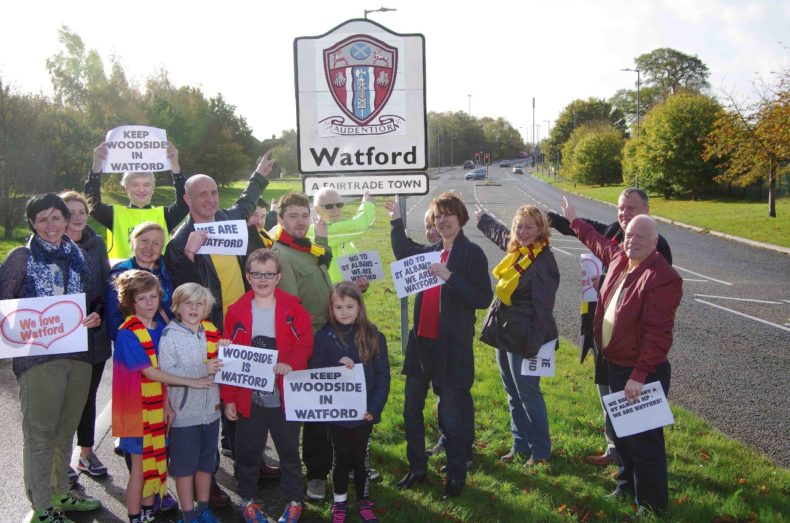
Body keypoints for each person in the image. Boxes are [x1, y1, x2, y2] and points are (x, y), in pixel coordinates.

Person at [164, 152, 274, 506]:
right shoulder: (180, 242)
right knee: (207, 403)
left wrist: (259, 174)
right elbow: (183, 296)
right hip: (208, 333)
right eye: (201, 195)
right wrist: (189, 258)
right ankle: (206, 480)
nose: (210, 200)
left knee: (241, 398)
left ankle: (250, 463)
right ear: (187, 200)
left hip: (241, 325)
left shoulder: (227, 219)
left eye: (213, 193)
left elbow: (245, 203)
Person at [561, 198, 682, 518]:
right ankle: (626, 486)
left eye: (640, 237)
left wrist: (639, 376)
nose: (632, 241)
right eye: (628, 236)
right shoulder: (619, 257)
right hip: (615, 365)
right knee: (625, 437)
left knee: (645, 443)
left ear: (655, 242)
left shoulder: (663, 277)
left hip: (640, 372)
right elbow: (597, 241)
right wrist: (573, 221)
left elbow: (658, 336)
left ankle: (652, 505)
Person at [547, 188, 672, 467]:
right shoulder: (619, 236)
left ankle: (646, 491)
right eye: (621, 208)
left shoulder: (655, 248)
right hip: (610, 346)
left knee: (641, 434)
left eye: (632, 208)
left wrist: (605, 284)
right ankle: (618, 457)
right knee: (610, 401)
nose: (625, 214)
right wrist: (559, 218)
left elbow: (648, 311)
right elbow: (594, 235)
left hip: (635, 357)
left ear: (647, 211)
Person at [0, 193, 103, 523]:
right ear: (32, 222)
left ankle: (61, 492)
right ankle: (42, 507)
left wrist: (94, 316)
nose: (50, 225)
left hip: (79, 356)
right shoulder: (21, 258)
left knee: (66, 431)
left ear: (65, 219)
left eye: (55, 217)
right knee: (41, 435)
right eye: (41, 219)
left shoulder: (78, 256)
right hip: (38, 360)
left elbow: (92, 301)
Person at [386, 191, 492, 500]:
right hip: (422, 346)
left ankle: (456, 476)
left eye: (448, 214)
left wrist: (450, 277)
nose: (442, 220)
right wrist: (395, 222)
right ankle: (418, 469)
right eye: (438, 216)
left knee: (450, 418)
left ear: (460, 218)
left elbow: (483, 298)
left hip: (452, 349)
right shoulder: (432, 250)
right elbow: (404, 252)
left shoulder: (471, 254)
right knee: (410, 411)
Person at [111, 270, 215, 523]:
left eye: (153, 297)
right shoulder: (127, 333)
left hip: (158, 405)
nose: (149, 304)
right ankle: (134, 516)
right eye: (142, 299)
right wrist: (195, 381)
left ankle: (149, 509)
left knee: (156, 459)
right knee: (139, 468)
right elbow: (152, 372)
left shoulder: (160, 328)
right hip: (136, 410)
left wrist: (168, 403)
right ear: (130, 303)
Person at [221, 249, 313, 523]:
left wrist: (292, 364)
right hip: (249, 398)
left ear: (278, 277)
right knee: (248, 452)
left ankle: (294, 499)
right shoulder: (236, 312)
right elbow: (230, 362)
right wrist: (229, 399)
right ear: (248, 276)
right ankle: (248, 499)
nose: (263, 279)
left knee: (288, 451)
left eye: (269, 274)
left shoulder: (293, 309)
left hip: (284, 396)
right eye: (257, 274)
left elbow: (304, 344)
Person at [477, 205, 559, 466]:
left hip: (527, 338)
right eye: (519, 226)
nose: (523, 232)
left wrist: (532, 347)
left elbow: (543, 310)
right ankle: (520, 445)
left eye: (529, 227)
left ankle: (541, 451)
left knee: (528, 394)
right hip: (505, 332)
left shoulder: (543, 261)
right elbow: (502, 235)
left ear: (540, 231)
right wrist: (483, 220)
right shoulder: (518, 252)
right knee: (512, 392)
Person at [270, 192, 334, 500]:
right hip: (311, 342)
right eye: (293, 216)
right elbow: (293, 309)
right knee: (315, 412)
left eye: (304, 215)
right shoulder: (281, 253)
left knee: (333, 405)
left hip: (332, 334)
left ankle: (342, 463)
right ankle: (316, 475)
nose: (300, 221)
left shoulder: (307, 246)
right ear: (280, 219)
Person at [311, 281, 390, 523]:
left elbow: (382, 376)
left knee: (362, 459)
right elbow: (314, 370)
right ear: (331, 309)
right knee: (340, 458)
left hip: (364, 414)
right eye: (338, 307)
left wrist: (374, 409)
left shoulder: (374, 336)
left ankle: (364, 501)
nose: (344, 312)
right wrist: (336, 364)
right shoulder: (324, 337)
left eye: (349, 306)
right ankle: (340, 502)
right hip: (337, 414)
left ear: (359, 307)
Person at [158, 283, 224, 523]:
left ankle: (203, 509)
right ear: (177, 306)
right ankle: (188, 515)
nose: (194, 308)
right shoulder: (170, 335)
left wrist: (227, 352)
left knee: (206, 465)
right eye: (188, 303)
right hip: (185, 414)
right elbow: (167, 371)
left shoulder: (211, 331)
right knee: (184, 468)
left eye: (200, 304)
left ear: (207, 307)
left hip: (212, 411)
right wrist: (201, 368)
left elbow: (223, 366)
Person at [60, 191, 112, 481]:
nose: (77, 217)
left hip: (95, 335)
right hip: (62, 337)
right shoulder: (51, 246)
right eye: (70, 211)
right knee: (65, 398)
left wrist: (100, 312)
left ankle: (86, 453)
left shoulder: (97, 244)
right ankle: (61, 458)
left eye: (82, 211)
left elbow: (107, 283)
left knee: (88, 397)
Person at [85, 142, 188, 261]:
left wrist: (175, 167)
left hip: (157, 276)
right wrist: (97, 165)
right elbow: (91, 203)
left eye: (146, 184)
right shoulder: (115, 214)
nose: (141, 189)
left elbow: (185, 203)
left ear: (153, 188)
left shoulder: (164, 215)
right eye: (135, 184)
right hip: (124, 276)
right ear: (125, 188)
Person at [106, 222, 175, 342]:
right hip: (136, 343)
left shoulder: (169, 271)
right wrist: (125, 342)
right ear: (133, 242)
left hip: (167, 342)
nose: (149, 247)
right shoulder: (120, 273)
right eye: (144, 241)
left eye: (156, 243)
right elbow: (114, 315)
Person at [310, 188, 375, 290]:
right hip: (327, 298)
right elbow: (359, 226)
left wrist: (361, 286)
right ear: (317, 210)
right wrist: (367, 204)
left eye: (339, 205)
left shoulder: (343, 235)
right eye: (329, 206)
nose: (335, 210)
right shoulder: (316, 232)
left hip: (345, 298)